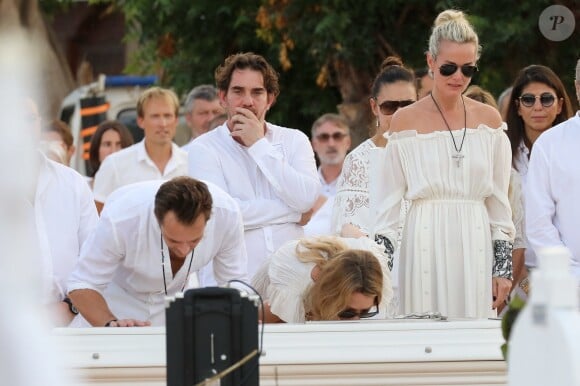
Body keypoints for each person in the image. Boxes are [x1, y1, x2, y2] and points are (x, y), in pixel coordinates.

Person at [370, 9, 515, 319]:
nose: (458, 77)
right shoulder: (403, 122)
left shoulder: (489, 122)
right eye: (449, 68)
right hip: (423, 239)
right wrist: (378, 273)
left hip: (475, 239)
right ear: (430, 62)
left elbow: (500, 205)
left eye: (468, 69)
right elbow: (387, 210)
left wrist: (502, 267)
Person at [187, 52, 320, 278]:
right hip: (234, 281)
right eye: (238, 91)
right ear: (223, 97)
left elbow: (307, 198)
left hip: (292, 280)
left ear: (270, 99)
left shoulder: (294, 140)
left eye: (257, 92)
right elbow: (219, 214)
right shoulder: (204, 148)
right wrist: (295, 214)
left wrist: (258, 144)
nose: (248, 101)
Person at [67, 176, 248, 327]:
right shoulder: (121, 219)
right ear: (157, 218)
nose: (184, 250)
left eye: (194, 241)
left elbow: (235, 281)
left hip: (176, 310)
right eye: (173, 240)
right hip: (115, 305)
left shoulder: (228, 215)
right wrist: (111, 324)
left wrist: (227, 316)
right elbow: (82, 284)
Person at [24, 98, 99, 326]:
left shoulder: (73, 183)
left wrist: (71, 306)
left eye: (28, 119)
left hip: (74, 327)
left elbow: (96, 258)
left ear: (39, 124)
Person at [332, 56, 416, 241]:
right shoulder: (358, 160)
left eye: (408, 105)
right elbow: (349, 227)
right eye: (390, 106)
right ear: (374, 107)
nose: (399, 114)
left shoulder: (430, 152)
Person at [505, 65, 573, 273]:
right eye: (528, 99)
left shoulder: (573, 152)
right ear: (517, 106)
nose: (537, 106)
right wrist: (520, 281)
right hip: (514, 273)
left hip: (569, 271)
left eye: (546, 99)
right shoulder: (503, 155)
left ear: (560, 105)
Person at [252, 236, 393, 323]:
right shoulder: (297, 286)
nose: (355, 320)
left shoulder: (370, 270)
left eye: (365, 312)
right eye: (347, 312)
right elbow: (253, 320)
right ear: (331, 294)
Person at [526, 58, 580, 283]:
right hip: (570, 285)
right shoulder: (549, 145)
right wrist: (571, 276)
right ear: (578, 87)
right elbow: (539, 224)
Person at [92, 87, 188, 214]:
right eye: (155, 116)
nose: (163, 123)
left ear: (176, 120)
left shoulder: (191, 163)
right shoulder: (115, 165)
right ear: (140, 121)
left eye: (167, 115)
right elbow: (97, 216)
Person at [304, 113, 351, 237]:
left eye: (337, 136)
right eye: (324, 137)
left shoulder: (364, 182)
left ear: (348, 142)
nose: (331, 143)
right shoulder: (304, 184)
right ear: (313, 144)